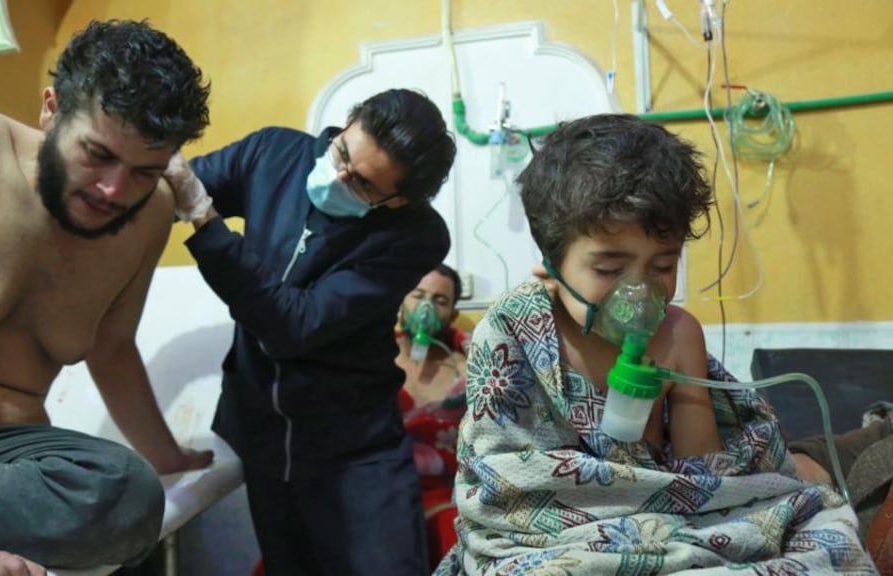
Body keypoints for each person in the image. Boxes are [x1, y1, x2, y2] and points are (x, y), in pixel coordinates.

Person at [435, 114, 874, 574]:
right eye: (608, 269)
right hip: (547, 538)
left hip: (671, 522)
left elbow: (704, 480)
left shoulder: (678, 334)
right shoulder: (513, 330)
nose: (639, 292)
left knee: (828, 539)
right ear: (550, 264)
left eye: (663, 265)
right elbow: (506, 483)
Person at [0, 20, 213, 575]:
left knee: (126, 497)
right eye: (97, 154)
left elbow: (112, 348)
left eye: (144, 173)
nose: (113, 190)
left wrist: (166, 456)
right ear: (51, 109)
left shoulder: (148, 218)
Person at [166, 88, 457, 575]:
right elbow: (170, 185)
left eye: (362, 183)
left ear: (398, 198)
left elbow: (293, 325)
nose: (338, 176)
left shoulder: (416, 235)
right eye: (341, 152)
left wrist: (204, 217)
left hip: (354, 447)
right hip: (261, 432)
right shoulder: (273, 153)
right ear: (345, 123)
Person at [395, 264, 469, 571]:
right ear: (401, 302)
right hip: (382, 485)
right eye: (418, 295)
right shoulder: (370, 357)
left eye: (439, 301)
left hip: (446, 494)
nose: (425, 307)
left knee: (452, 536)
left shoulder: (469, 368)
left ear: (451, 314)